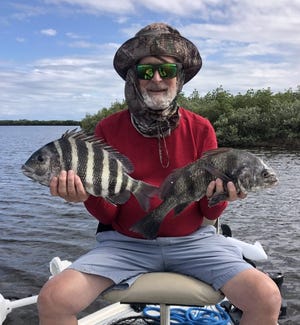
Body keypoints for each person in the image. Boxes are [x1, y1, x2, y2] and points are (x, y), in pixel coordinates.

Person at [37, 23, 281, 324]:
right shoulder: (107, 129)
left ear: (179, 78)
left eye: (166, 71)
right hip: (125, 243)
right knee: (53, 299)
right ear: (133, 77)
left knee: (266, 297)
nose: (156, 79)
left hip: (194, 241)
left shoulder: (201, 127)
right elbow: (108, 218)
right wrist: (86, 195)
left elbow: (207, 210)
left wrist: (222, 196)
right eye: (145, 71)